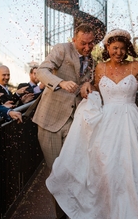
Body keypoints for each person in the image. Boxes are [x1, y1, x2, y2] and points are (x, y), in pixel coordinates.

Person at [46, 29, 138, 218]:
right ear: (107, 47)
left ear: (127, 48)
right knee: (106, 166)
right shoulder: (100, 68)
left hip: (131, 120)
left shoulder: (135, 66)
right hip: (107, 123)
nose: (119, 52)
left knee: (134, 165)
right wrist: (88, 86)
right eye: (115, 48)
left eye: (122, 48)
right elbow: (97, 89)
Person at [33, 23, 96, 219]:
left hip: (74, 122)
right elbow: (41, 71)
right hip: (50, 121)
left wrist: (88, 84)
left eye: (91, 43)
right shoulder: (61, 49)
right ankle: (62, 216)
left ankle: (76, 212)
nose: (87, 48)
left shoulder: (92, 60)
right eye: (83, 43)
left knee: (76, 169)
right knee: (57, 174)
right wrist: (59, 82)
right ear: (74, 39)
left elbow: (89, 81)